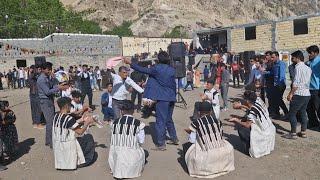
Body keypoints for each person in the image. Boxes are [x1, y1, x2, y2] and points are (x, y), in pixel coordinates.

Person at [124, 51, 179, 150]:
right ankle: (174, 138)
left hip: (162, 98)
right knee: (169, 119)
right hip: (171, 97)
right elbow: (173, 85)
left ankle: (161, 144)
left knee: (160, 121)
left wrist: (130, 63)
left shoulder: (156, 69)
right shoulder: (172, 70)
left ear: (158, 59)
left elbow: (141, 69)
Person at [184, 101, 234, 178]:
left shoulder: (196, 122)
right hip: (221, 150)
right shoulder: (218, 121)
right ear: (211, 111)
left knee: (186, 146)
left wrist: (188, 130)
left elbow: (190, 132)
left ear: (199, 112)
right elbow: (220, 134)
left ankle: (189, 167)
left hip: (207, 153)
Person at [52, 97, 95, 170]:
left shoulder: (55, 116)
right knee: (89, 137)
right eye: (70, 105)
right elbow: (80, 132)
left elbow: (67, 126)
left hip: (58, 145)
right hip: (67, 145)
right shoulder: (69, 118)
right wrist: (87, 123)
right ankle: (84, 161)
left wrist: (81, 121)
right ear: (66, 106)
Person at [229, 90, 275, 158]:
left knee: (241, 128)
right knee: (245, 119)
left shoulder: (253, 111)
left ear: (247, 100)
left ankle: (248, 149)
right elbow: (250, 108)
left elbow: (247, 124)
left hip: (265, 132)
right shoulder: (258, 100)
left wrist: (236, 120)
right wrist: (241, 106)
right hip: (270, 127)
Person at [108, 100, 145, 179]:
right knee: (142, 151)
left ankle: (115, 169)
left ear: (121, 111)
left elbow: (111, 139)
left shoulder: (113, 123)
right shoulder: (139, 124)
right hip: (131, 158)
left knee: (114, 147)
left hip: (116, 156)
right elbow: (141, 141)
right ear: (133, 111)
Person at [37, 62, 69, 147]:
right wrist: (59, 87)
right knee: (50, 122)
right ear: (43, 69)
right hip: (45, 101)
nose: (50, 71)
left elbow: (53, 86)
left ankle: (48, 141)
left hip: (49, 100)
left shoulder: (48, 77)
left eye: (50, 69)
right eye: (48, 69)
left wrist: (56, 82)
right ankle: (51, 142)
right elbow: (47, 91)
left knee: (50, 121)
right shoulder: (41, 80)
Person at [284, 51, 312, 139]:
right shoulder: (308, 68)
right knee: (303, 112)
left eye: (293, 58)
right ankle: (303, 132)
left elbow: (296, 83)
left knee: (292, 114)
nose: (292, 59)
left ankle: (293, 134)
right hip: (307, 94)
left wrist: (290, 94)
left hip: (299, 94)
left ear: (298, 58)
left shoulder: (298, 68)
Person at [265, 51, 288, 118]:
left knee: (278, 99)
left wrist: (278, 84)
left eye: (273, 57)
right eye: (271, 57)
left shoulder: (281, 63)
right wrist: (265, 72)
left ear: (277, 57)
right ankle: (278, 113)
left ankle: (287, 113)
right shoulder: (274, 64)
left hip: (280, 84)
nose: (272, 59)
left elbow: (281, 75)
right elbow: (272, 73)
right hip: (276, 85)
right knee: (276, 99)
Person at [305, 45, 320, 129]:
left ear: (316, 53)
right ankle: (313, 122)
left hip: (317, 89)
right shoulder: (309, 62)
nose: (309, 55)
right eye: (308, 53)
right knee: (309, 107)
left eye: (310, 53)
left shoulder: (319, 62)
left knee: (318, 107)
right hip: (309, 88)